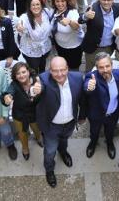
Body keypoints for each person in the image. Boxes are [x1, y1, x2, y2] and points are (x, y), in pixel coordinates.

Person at [36, 56, 86, 188]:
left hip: (69, 122)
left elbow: (82, 99)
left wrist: (82, 116)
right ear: (49, 71)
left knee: (64, 141)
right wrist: (34, 90)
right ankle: (49, 169)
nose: (59, 74)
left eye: (62, 70)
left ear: (67, 68)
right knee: (50, 150)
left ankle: (63, 152)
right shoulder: (43, 79)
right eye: (55, 71)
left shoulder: (77, 78)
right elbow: (37, 90)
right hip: (51, 126)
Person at [84, 53, 119, 159]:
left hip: (113, 113)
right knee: (94, 131)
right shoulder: (92, 77)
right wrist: (89, 86)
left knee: (110, 132)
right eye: (101, 67)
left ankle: (110, 144)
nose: (105, 70)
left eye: (107, 66)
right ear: (96, 68)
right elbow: (86, 86)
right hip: (97, 115)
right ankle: (93, 143)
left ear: (112, 65)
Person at [1, 62, 43, 160]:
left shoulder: (37, 80)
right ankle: (25, 148)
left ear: (28, 71)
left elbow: (44, 90)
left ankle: (39, 138)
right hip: (20, 115)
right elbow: (8, 93)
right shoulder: (14, 85)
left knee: (37, 128)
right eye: (18, 73)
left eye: (23, 72)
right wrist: (6, 97)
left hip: (34, 113)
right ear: (15, 76)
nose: (21, 75)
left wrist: (41, 88)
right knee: (22, 133)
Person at [79, 0, 119, 70]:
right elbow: (80, 20)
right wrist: (85, 16)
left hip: (109, 48)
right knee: (90, 71)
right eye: (104, 0)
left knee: (105, 70)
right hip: (93, 49)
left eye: (109, 0)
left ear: (113, 0)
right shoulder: (93, 8)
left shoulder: (117, 8)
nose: (106, 2)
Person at [17, 0, 52, 73]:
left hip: (45, 48)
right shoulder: (25, 17)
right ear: (29, 7)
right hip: (31, 52)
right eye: (33, 5)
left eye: (37, 4)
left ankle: (42, 82)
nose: (35, 7)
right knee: (34, 71)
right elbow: (20, 25)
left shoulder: (46, 12)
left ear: (41, 5)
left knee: (43, 68)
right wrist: (20, 27)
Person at [51, 0, 83, 70]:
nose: (60, 4)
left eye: (62, 1)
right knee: (63, 67)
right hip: (60, 46)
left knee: (73, 69)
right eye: (57, 1)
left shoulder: (72, 12)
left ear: (67, 1)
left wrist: (69, 22)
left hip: (73, 49)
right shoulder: (53, 11)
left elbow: (76, 26)